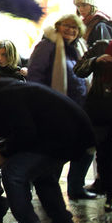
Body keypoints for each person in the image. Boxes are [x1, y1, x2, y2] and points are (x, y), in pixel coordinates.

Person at [0, 71, 95, 223]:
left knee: (13, 173)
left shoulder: (4, 97)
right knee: (43, 176)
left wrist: (3, 153)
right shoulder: (4, 92)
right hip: (70, 135)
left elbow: (25, 133)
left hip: (64, 138)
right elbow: (24, 131)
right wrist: (2, 149)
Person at [27, 13, 92, 200]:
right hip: (55, 109)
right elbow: (35, 77)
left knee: (85, 148)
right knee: (56, 153)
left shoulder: (79, 47)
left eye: (75, 27)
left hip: (79, 108)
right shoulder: (46, 46)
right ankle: (48, 191)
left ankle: (76, 187)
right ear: (58, 26)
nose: (70, 30)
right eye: (67, 25)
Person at [73, 13, 112, 211]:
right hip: (100, 107)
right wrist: (95, 61)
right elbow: (79, 69)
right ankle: (109, 193)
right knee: (103, 153)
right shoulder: (103, 45)